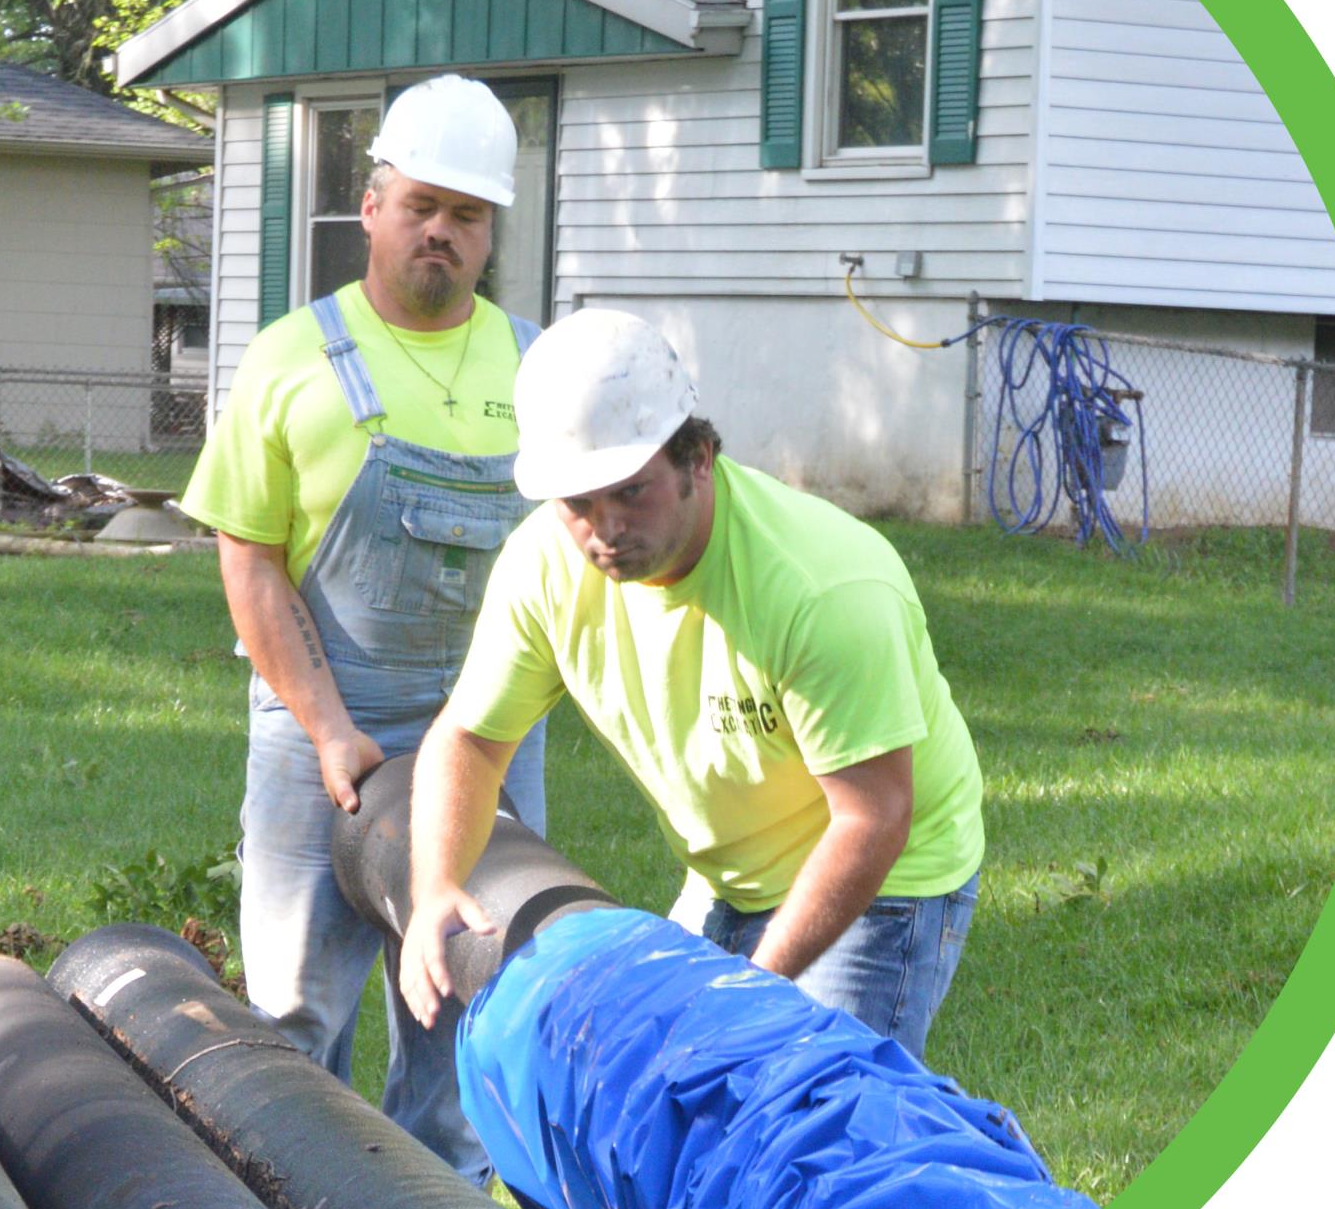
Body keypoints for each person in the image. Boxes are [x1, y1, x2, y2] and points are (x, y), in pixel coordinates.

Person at [398, 307, 985, 1065]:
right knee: (660, 1080)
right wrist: (434, 887)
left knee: (806, 1112)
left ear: (698, 458)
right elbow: (470, 740)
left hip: (886, 874)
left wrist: (755, 989)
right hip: (729, 871)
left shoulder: (822, 587)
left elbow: (873, 817)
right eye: (577, 503)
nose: (604, 528)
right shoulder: (544, 564)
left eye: (631, 492)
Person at [181, 74, 544, 1177]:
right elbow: (245, 554)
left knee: (472, 1008)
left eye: (468, 215)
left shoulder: (534, 363)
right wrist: (331, 728)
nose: (442, 231)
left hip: (488, 730)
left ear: (490, 236)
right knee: (296, 1010)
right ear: (372, 204)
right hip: (321, 724)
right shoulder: (291, 356)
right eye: (423, 204)